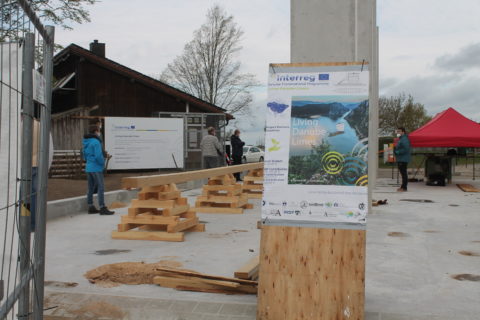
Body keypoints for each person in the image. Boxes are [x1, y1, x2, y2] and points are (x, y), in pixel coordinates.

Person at [83, 126, 114, 215]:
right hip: (96, 167)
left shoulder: (85, 142)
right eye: (99, 131)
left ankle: (90, 206)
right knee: (101, 187)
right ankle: (102, 207)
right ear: (96, 132)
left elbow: (84, 155)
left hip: (88, 167)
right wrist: (102, 164)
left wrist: (89, 161)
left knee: (91, 187)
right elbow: (98, 156)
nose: (99, 133)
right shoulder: (96, 142)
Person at [394, 127, 411, 192]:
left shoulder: (404, 139)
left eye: (399, 131)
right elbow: (400, 147)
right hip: (400, 158)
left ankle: (404, 187)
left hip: (403, 159)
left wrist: (397, 152)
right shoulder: (401, 139)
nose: (398, 132)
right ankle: (402, 186)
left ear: (403, 132)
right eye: (397, 131)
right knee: (402, 173)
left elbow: (406, 149)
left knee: (403, 173)